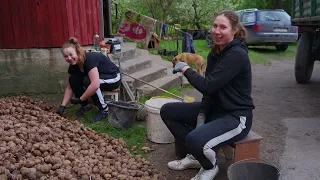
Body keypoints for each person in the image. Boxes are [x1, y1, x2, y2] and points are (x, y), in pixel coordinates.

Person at [160, 10, 255, 180]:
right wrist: (202, 116)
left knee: (194, 139)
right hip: (215, 110)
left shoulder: (237, 55)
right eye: (215, 26)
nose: (217, 31)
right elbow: (209, 92)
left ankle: (210, 167)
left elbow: (207, 85)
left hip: (236, 116)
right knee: (167, 111)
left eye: (223, 27)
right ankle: (196, 157)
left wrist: (185, 68)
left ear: (234, 30)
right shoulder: (215, 53)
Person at [56, 37, 121, 121]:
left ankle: (104, 110)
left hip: (113, 77)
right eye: (66, 56)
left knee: (90, 82)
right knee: (73, 79)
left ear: (77, 52)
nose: (69, 58)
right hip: (100, 78)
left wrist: (80, 99)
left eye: (71, 54)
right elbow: (70, 86)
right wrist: (63, 106)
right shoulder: (73, 66)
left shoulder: (88, 60)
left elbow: (95, 84)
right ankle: (85, 105)